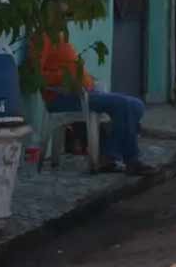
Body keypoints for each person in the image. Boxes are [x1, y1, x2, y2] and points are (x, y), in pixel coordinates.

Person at [37, 26, 156, 176]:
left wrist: (84, 78)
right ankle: (131, 160)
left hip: (87, 92)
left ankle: (108, 155)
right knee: (124, 105)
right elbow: (38, 75)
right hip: (64, 96)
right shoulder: (41, 38)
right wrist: (67, 78)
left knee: (136, 105)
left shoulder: (60, 34)